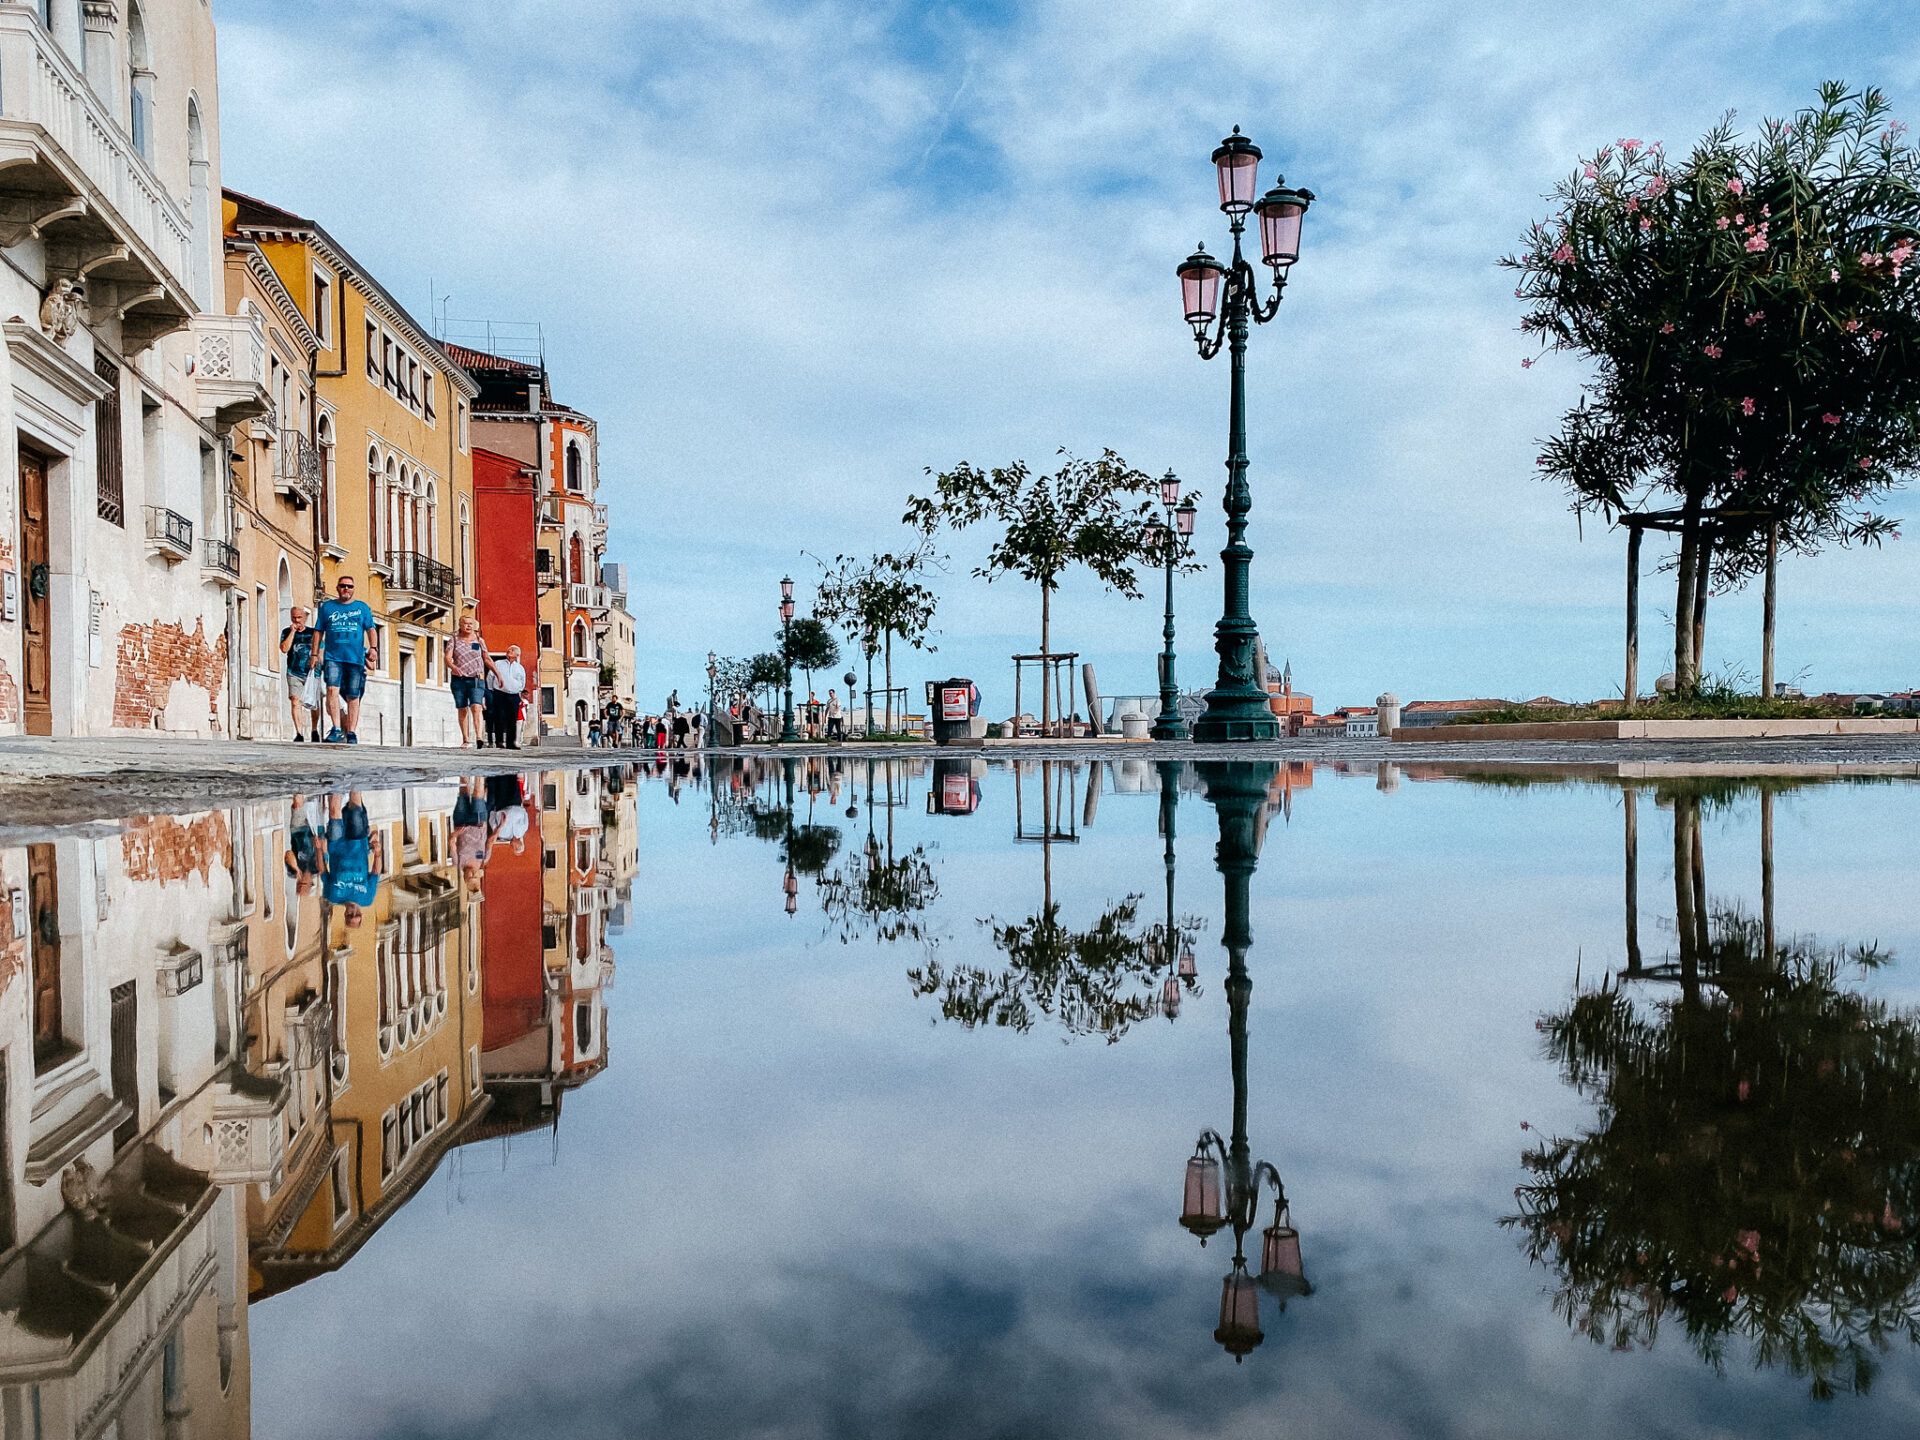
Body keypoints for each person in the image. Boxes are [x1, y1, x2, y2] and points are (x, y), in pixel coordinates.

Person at [311, 576, 379, 745]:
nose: (346, 589)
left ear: (353, 589)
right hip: (333, 657)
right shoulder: (327, 607)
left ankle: (352, 732)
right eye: (343, 586)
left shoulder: (362, 608)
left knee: (353, 696)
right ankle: (335, 728)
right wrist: (314, 654)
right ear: (337, 587)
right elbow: (318, 631)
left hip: (355, 659)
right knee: (332, 690)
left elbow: (371, 629)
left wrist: (373, 648)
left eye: (349, 586)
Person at [323, 791, 383, 928]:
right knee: (355, 809)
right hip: (359, 845)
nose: (354, 912)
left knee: (333, 812)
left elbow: (323, 872)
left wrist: (321, 850)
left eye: (351, 916)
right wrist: (378, 854)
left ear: (345, 915)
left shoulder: (332, 896)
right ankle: (354, 775)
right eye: (357, 915)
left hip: (336, 846)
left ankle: (335, 778)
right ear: (361, 914)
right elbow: (375, 874)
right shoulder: (367, 898)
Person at [445, 615, 494, 748]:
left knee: (476, 707)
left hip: (476, 679)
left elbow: (487, 658)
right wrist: (453, 667)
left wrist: (498, 674)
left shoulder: (479, 641)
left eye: (471, 624)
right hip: (459, 680)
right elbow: (448, 658)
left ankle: (479, 737)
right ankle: (466, 739)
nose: (469, 626)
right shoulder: (453, 641)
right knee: (462, 709)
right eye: (466, 623)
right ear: (460, 625)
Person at [278, 605, 321, 742]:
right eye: (294, 617)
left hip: (312, 672)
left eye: (299, 617)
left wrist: (319, 662)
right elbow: (284, 649)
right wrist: (292, 632)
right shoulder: (286, 632)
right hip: (294, 671)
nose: (296, 620)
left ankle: (314, 729)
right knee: (295, 701)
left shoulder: (314, 632)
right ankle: (299, 733)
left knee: (314, 703)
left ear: (305, 618)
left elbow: (321, 649)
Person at [486, 644, 528, 749]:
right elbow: (490, 677)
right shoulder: (498, 663)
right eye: (509, 649)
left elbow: (522, 682)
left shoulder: (520, 668)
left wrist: (517, 689)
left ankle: (511, 743)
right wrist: (493, 690)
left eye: (512, 650)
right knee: (498, 717)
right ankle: (499, 741)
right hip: (499, 694)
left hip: (513, 695)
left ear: (517, 654)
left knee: (512, 719)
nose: (509, 650)